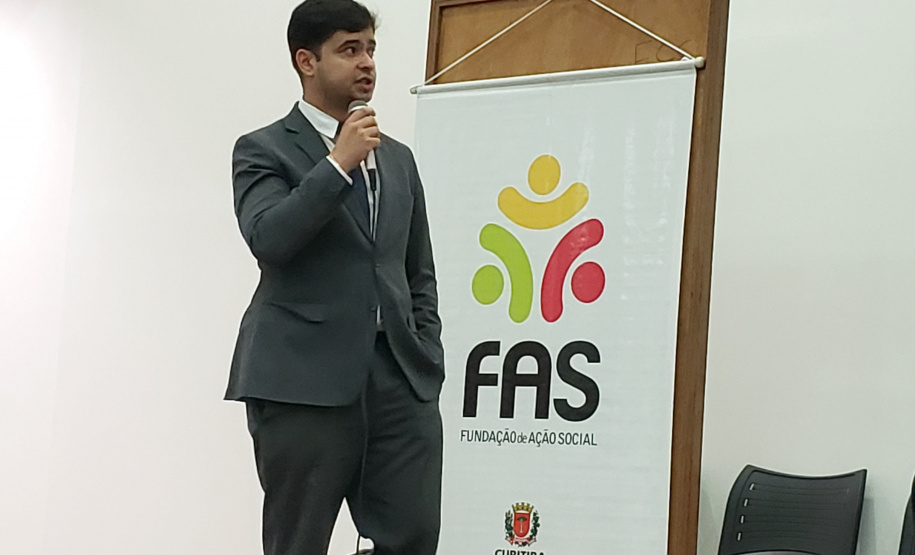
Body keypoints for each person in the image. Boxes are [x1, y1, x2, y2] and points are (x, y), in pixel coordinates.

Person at [225, 1, 444, 553]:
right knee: (298, 542)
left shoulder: (398, 160)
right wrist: (337, 164)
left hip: (398, 379)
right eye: (349, 49)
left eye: (370, 48)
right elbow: (269, 238)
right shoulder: (262, 149)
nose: (367, 62)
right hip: (302, 381)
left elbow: (417, 271)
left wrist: (426, 353)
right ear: (307, 61)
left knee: (414, 536)